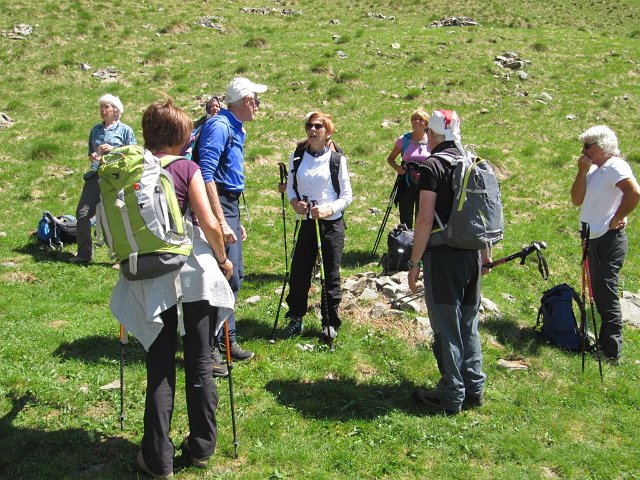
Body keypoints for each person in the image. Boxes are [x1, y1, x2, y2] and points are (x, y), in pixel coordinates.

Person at [109, 98, 235, 478]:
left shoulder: (131, 170)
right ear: (183, 137)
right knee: (199, 358)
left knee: (160, 365)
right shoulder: (185, 167)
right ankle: (201, 448)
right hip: (193, 274)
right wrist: (224, 260)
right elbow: (211, 224)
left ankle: (157, 459)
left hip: (150, 276)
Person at [407, 110, 491, 415]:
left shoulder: (432, 166)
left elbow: (425, 218)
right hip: (471, 252)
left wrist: (414, 261)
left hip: (442, 256)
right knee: (469, 324)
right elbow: (483, 213)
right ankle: (474, 388)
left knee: (446, 326)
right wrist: (486, 253)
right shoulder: (472, 161)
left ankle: (451, 394)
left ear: (432, 133)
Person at [197, 77, 267, 374]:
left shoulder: (235, 127)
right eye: (256, 101)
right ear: (245, 102)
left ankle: (228, 339)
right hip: (220, 203)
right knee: (223, 275)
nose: (258, 106)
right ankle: (209, 347)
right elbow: (205, 173)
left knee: (234, 275)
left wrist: (232, 219)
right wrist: (221, 220)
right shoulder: (220, 126)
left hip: (229, 205)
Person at [281, 111, 353, 343]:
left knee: (329, 274)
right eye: (309, 126)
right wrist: (294, 203)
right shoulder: (298, 156)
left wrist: (328, 210)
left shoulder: (337, 160)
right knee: (299, 271)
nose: (313, 130)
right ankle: (295, 318)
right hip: (306, 222)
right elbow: (291, 186)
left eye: (318, 127)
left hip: (330, 224)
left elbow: (347, 196)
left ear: (328, 132)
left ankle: (330, 322)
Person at [570, 125, 640, 364]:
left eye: (587, 146)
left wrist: (617, 219)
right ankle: (605, 345)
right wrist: (581, 171)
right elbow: (576, 199)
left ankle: (611, 352)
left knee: (605, 291)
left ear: (601, 146)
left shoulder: (616, 166)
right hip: (593, 237)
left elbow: (634, 193)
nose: (583, 150)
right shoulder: (594, 170)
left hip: (609, 239)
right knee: (599, 291)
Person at [70, 94, 136, 263]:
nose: (102, 110)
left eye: (106, 107)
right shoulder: (95, 130)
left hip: (115, 178)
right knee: (82, 213)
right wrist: (93, 156)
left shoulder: (125, 130)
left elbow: (133, 154)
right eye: (101, 107)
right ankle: (84, 254)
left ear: (116, 111)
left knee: (116, 216)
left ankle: (123, 257)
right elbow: (91, 154)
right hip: (95, 176)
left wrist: (113, 149)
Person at [385, 108, 430, 229]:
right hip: (406, 181)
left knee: (423, 215)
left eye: (420, 119)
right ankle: (406, 240)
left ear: (426, 123)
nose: (416, 121)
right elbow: (390, 158)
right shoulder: (403, 140)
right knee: (405, 214)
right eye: (414, 119)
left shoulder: (432, 140)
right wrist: (397, 168)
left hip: (425, 183)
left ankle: (420, 244)